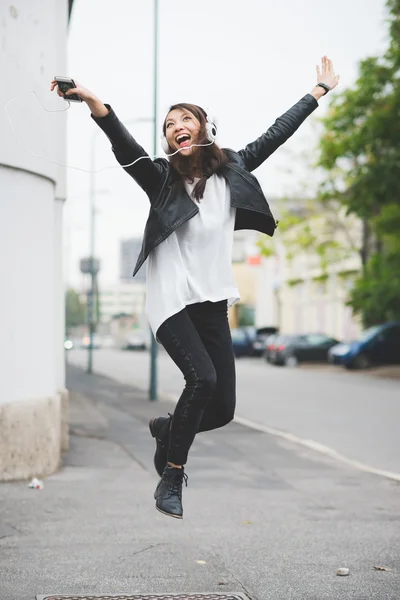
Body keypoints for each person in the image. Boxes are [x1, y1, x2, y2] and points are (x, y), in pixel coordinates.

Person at [51, 56, 339, 519]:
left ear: (204, 128)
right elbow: (123, 145)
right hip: (171, 303)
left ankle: (168, 428)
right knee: (201, 379)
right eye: (169, 125)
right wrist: (91, 100)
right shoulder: (161, 179)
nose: (175, 127)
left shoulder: (233, 170)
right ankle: (171, 477)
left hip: (211, 303)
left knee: (222, 408)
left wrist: (319, 91)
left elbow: (276, 132)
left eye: (185, 119)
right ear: (168, 140)